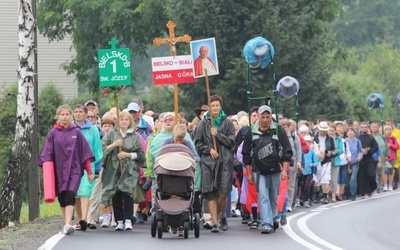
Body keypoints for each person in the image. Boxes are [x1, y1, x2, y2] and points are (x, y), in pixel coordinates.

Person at [38, 105, 94, 235]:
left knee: (70, 195)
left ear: (71, 116)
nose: (64, 117)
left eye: (67, 114)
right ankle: (66, 223)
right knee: (62, 198)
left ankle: (68, 224)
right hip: (58, 170)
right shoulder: (52, 134)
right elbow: (46, 154)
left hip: (74, 169)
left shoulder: (77, 133)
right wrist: (46, 172)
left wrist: (89, 172)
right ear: (58, 116)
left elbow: (84, 154)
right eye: (62, 115)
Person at [242, 105, 292, 234]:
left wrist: (284, 170)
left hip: (275, 168)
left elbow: (287, 151)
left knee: (273, 196)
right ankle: (266, 223)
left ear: (271, 117)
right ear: (258, 116)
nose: (265, 119)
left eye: (267, 117)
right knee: (263, 196)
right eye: (262, 117)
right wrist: (249, 173)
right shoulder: (251, 132)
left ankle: (274, 217)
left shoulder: (278, 130)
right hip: (259, 169)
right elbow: (246, 154)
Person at [195, 95, 235, 233]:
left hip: (224, 162)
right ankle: (215, 221)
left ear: (221, 107)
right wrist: (209, 149)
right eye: (213, 106)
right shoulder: (203, 123)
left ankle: (222, 215)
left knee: (223, 192)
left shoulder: (228, 123)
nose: (215, 108)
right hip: (208, 163)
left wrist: (218, 135)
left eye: (217, 105)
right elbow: (198, 143)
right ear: (209, 107)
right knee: (210, 192)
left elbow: (231, 143)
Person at [101, 111, 146, 231]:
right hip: (113, 169)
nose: (124, 121)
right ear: (118, 122)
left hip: (129, 169)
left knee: (127, 193)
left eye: (126, 119)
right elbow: (102, 148)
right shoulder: (111, 134)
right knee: (116, 194)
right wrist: (115, 144)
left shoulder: (134, 136)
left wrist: (128, 155)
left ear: (130, 121)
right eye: (122, 119)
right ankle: (119, 220)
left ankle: (128, 219)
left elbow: (140, 154)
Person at [72, 104, 103, 231]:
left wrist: (97, 167)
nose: (78, 114)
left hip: (88, 163)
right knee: (76, 193)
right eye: (76, 112)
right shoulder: (70, 128)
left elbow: (97, 148)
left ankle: (84, 218)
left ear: (85, 114)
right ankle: (79, 219)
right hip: (72, 164)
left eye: (80, 112)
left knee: (85, 191)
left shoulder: (93, 129)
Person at [313, 121, 336, 204]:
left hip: (326, 160)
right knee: (317, 179)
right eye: (321, 130)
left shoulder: (330, 138)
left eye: (324, 130)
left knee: (325, 178)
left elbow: (335, 150)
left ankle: (325, 196)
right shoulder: (314, 138)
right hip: (316, 160)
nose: (323, 132)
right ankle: (317, 195)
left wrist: (330, 153)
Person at [357, 122, 379, 198]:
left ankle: (372, 188)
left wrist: (369, 150)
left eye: (365, 127)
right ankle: (364, 191)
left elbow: (376, 147)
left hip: (369, 159)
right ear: (360, 128)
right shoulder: (358, 138)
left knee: (371, 174)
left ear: (367, 128)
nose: (364, 129)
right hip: (361, 159)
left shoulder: (371, 137)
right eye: (362, 127)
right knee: (362, 176)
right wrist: (361, 151)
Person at [344, 128, 363, 201]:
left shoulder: (357, 141)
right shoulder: (344, 141)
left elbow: (360, 151)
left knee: (353, 178)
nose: (350, 133)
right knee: (346, 179)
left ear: (354, 133)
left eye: (352, 131)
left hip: (355, 162)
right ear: (347, 133)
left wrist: (359, 157)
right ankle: (347, 194)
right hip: (346, 162)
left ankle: (353, 195)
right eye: (349, 131)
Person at [383, 125, 399, 191]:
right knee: (384, 171)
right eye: (386, 130)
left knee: (391, 171)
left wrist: (391, 145)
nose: (387, 131)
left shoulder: (393, 138)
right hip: (384, 157)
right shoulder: (383, 138)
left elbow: (397, 147)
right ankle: (385, 185)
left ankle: (390, 185)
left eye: (389, 130)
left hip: (392, 157)